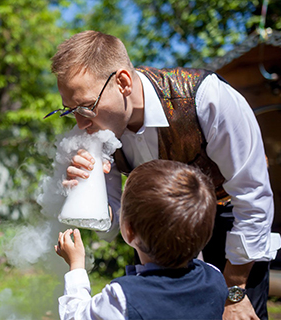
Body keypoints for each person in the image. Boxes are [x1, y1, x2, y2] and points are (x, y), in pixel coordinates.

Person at [46, 30, 280, 319]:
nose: (80, 123)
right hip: (153, 240)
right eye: (70, 111)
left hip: (232, 221)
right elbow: (114, 224)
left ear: (122, 82)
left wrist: (235, 289)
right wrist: (86, 191)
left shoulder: (208, 98)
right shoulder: (94, 127)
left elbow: (253, 195)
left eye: (86, 107)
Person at [56, 159, 228, 319]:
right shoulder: (215, 278)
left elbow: (75, 315)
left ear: (129, 231)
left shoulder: (122, 299)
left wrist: (76, 266)